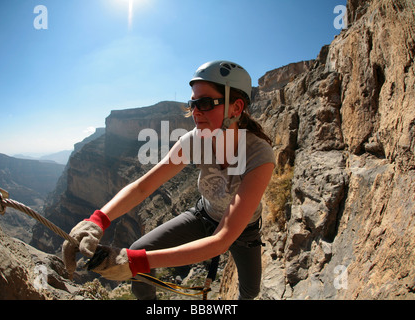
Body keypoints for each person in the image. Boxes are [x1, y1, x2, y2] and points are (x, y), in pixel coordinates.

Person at [62, 60, 275, 300]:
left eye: (205, 103)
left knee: (250, 291)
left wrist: (133, 262)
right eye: (193, 103)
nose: (195, 112)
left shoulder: (259, 155)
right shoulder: (195, 140)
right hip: (203, 215)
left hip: (243, 229)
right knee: (136, 252)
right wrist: (98, 220)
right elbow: (144, 186)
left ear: (236, 108)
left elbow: (222, 240)